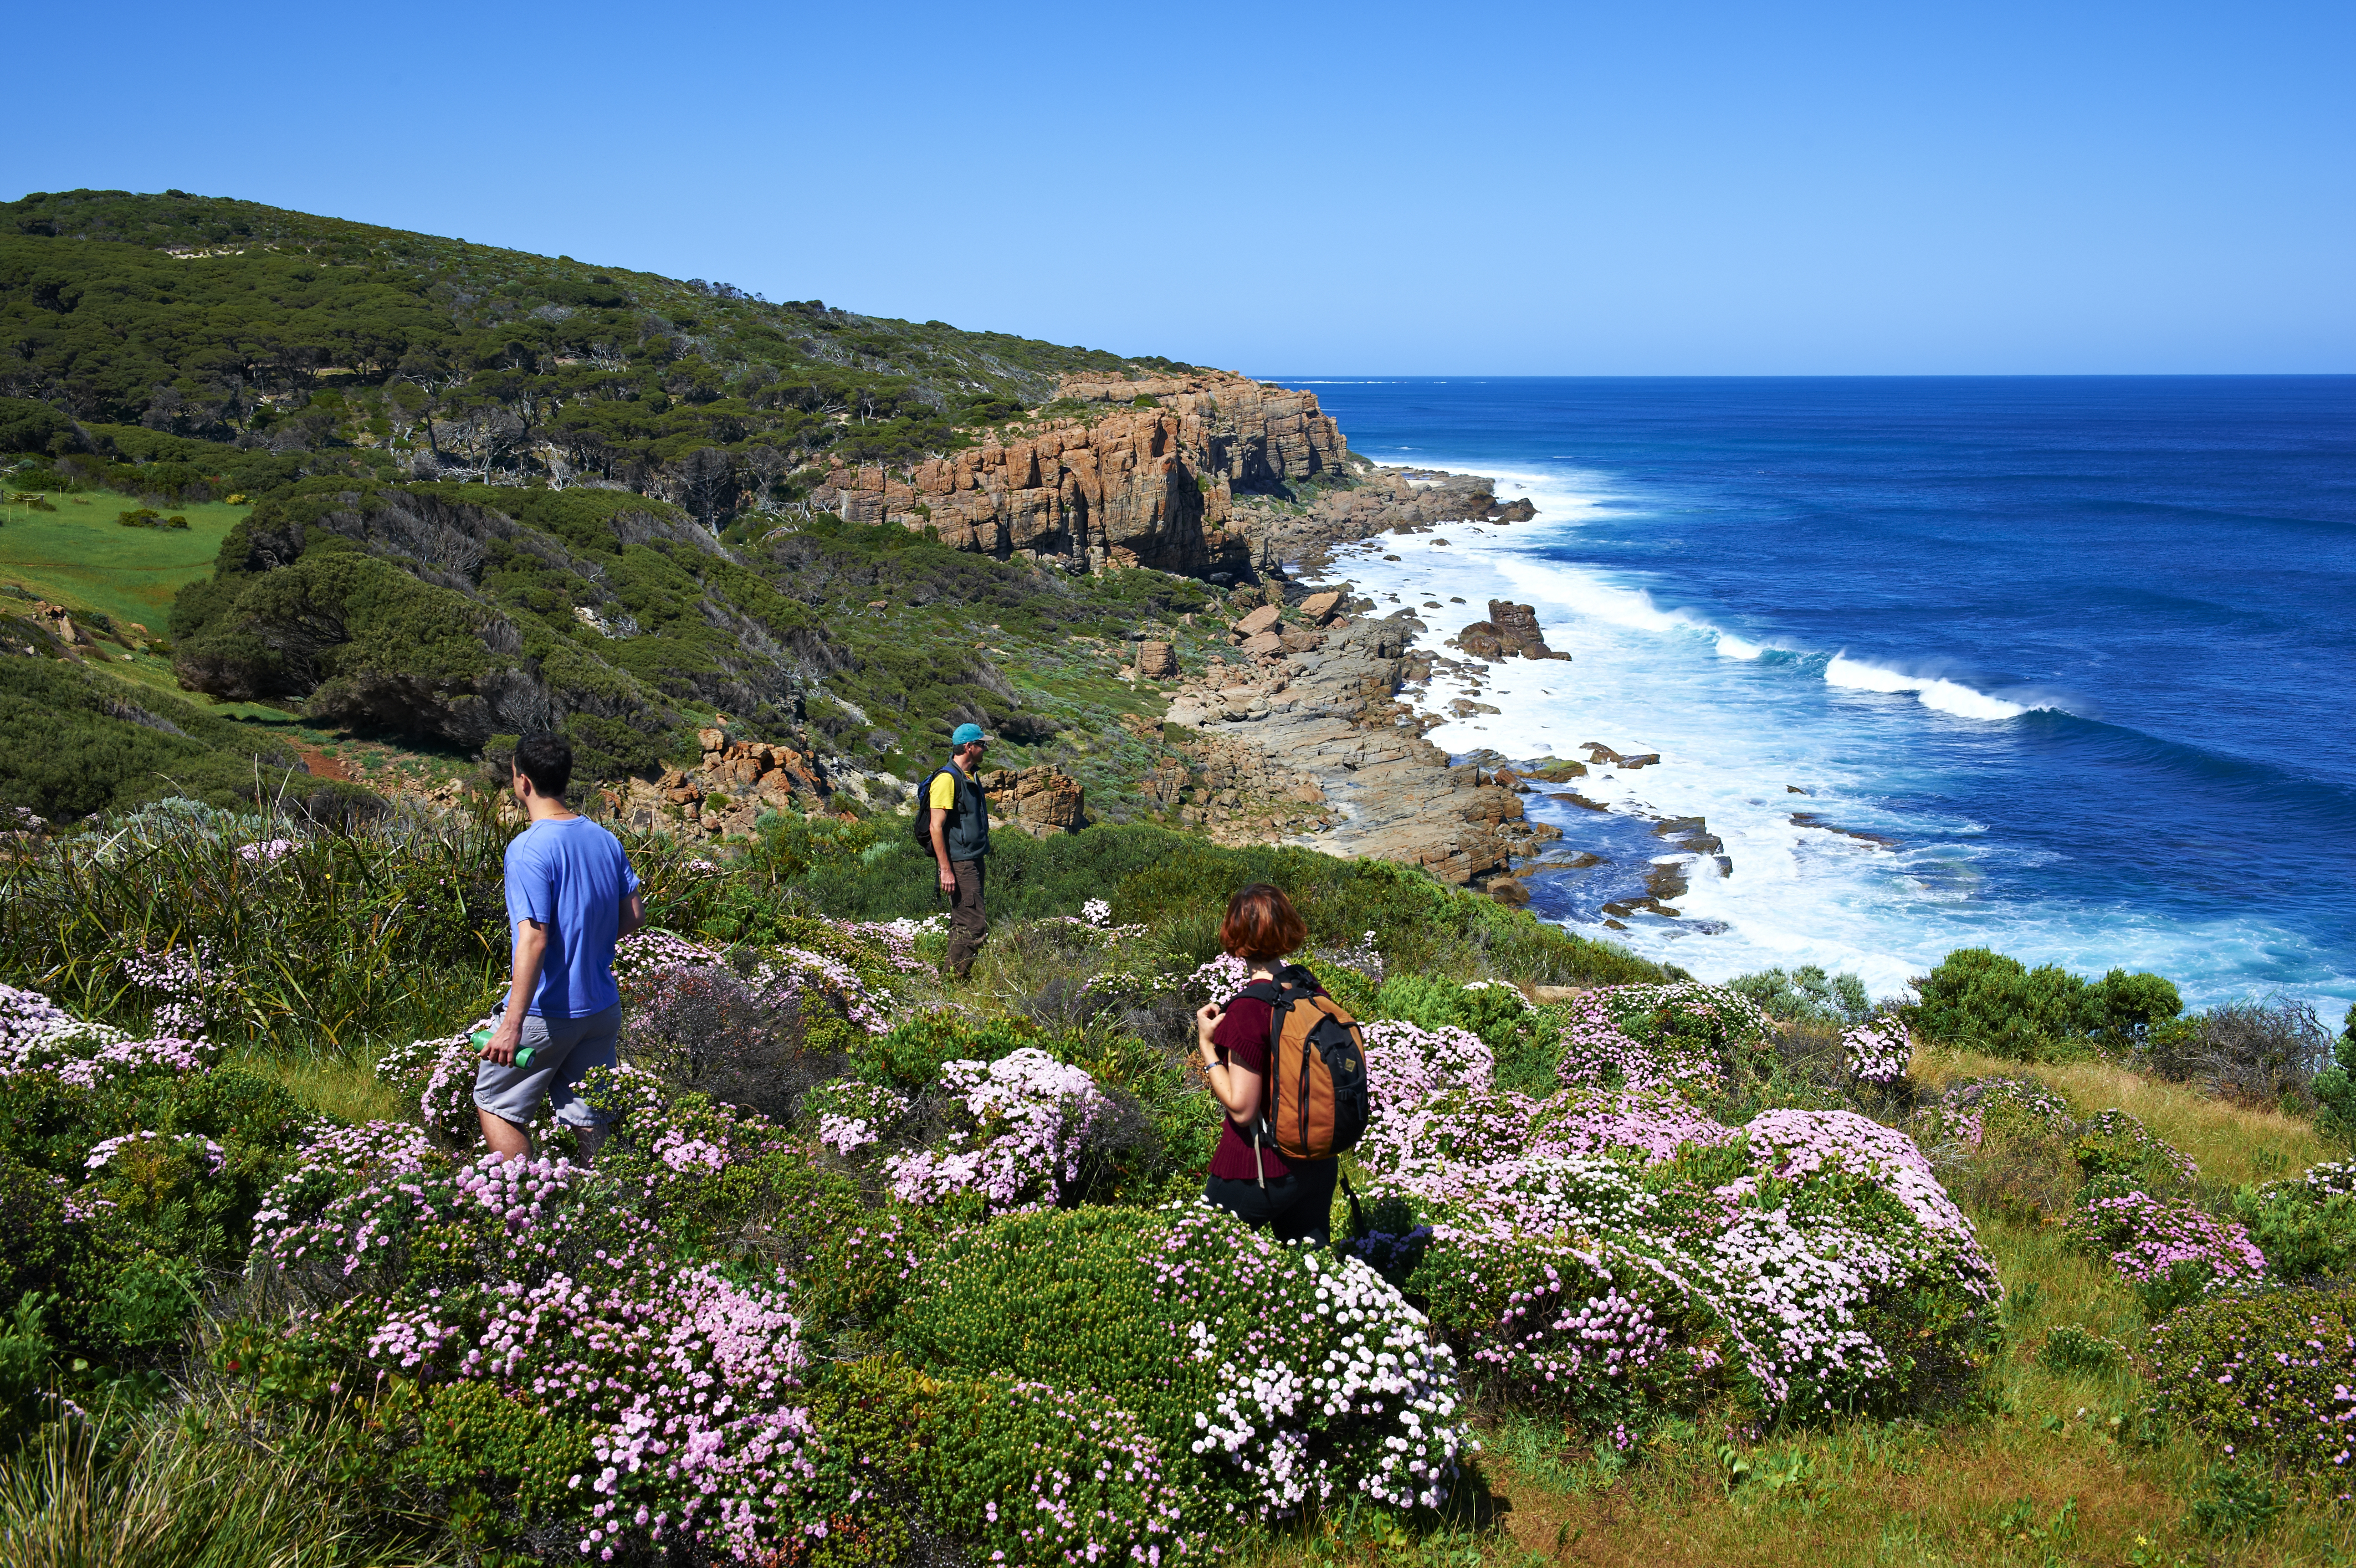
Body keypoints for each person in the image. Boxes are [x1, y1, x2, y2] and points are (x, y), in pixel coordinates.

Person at [474, 733, 643, 1164]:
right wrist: (590, 943)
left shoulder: (528, 848)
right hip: (602, 1009)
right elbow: (634, 917)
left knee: (498, 1105)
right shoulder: (606, 840)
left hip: (546, 1015)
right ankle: (607, 1206)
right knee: (590, 1114)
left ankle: (528, 1208)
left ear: (523, 781)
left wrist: (511, 1026)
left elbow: (534, 938)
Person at [1192, 883, 1340, 1243]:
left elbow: (1243, 1110)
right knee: (1309, 1274)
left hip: (1260, 1167)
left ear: (1235, 937)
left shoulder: (1248, 1010)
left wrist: (1207, 1046)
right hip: (1318, 1161)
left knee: (1194, 1256)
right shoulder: (1310, 989)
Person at [926, 721, 992, 980]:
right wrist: (946, 870)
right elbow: (936, 826)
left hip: (973, 859)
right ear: (969, 747)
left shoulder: (968, 776)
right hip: (960, 863)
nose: (985, 749)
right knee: (973, 925)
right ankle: (951, 982)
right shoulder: (947, 779)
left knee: (964, 921)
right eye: (982, 744)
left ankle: (954, 978)